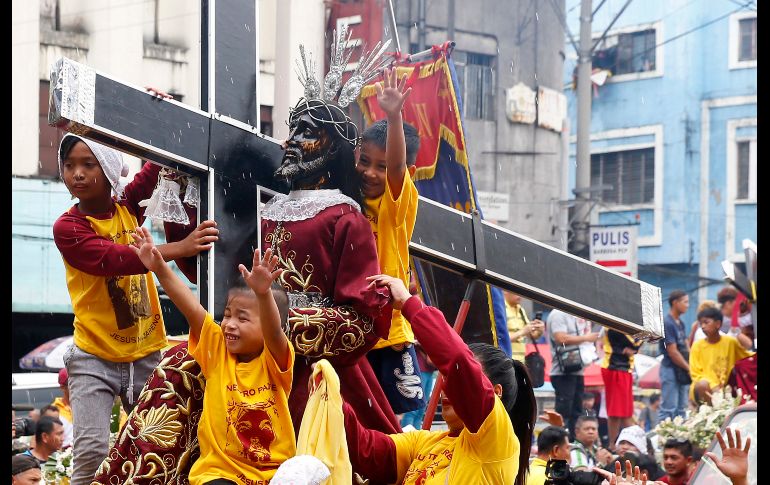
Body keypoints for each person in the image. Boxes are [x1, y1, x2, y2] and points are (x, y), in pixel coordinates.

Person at [53, 134, 219, 484]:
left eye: (87, 164)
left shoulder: (130, 204)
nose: (77, 174)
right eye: (69, 166)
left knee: (163, 447)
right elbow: (118, 259)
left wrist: (159, 113)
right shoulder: (67, 227)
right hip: (93, 356)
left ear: (110, 169)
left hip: (146, 353)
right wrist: (181, 246)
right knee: (91, 452)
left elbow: (156, 161)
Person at [131, 226, 295, 484]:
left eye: (243, 318)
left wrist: (263, 295)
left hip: (274, 474)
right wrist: (160, 268)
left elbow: (274, 332)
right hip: (219, 473)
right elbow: (191, 308)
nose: (229, 324)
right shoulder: (218, 350)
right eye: (228, 314)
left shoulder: (275, 361)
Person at [343, 274, 537, 485]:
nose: (446, 388)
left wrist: (409, 304)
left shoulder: (496, 441)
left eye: (456, 382)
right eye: (444, 378)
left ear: (495, 393)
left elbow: (456, 361)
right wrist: (328, 391)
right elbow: (363, 450)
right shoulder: (423, 442)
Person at [360, 67, 425, 418]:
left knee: (392, 423)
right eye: (365, 162)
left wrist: (394, 117)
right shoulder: (348, 193)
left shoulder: (397, 202)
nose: (371, 172)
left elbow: (397, 165)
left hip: (390, 330)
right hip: (352, 325)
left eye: (381, 166)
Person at [548, 308, 599, 439]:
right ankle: (560, 441)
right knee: (564, 411)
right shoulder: (558, 313)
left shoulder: (575, 314)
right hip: (563, 372)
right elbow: (560, 338)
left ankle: (573, 442)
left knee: (576, 410)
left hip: (577, 369)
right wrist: (586, 338)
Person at [689, 307, 754, 405]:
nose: (702, 326)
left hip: (726, 389)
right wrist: (713, 386)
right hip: (704, 389)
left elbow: (747, 358)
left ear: (718, 324)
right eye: (701, 323)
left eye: (706, 322)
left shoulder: (730, 342)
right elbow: (696, 374)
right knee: (702, 384)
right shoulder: (697, 346)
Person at [600, 328, 642, 448]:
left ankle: (636, 443)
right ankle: (612, 446)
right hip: (615, 367)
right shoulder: (615, 323)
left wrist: (635, 348)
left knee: (626, 412)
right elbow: (636, 342)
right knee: (616, 411)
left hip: (624, 368)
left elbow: (636, 345)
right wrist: (637, 345)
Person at [658, 290, 691, 422]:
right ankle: (663, 441)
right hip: (670, 369)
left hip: (681, 370)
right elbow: (673, 352)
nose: (687, 305)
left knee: (681, 409)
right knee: (668, 410)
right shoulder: (668, 323)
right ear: (675, 303)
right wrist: (689, 368)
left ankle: (680, 442)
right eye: (685, 302)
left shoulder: (680, 323)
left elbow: (686, 346)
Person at [504, 291, 545, 363]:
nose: (520, 295)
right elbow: (500, 339)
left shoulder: (520, 310)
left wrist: (540, 330)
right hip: (506, 361)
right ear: (505, 291)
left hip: (521, 362)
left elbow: (531, 335)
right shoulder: (501, 309)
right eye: (516, 291)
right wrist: (522, 332)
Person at [52, 368, 73, 448]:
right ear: (62, 387)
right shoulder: (52, 411)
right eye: (72, 384)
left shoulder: (88, 406)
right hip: (64, 457)